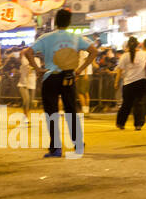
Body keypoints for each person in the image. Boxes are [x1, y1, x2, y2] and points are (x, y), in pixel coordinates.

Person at [25, 9, 96, 158]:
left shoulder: (46, 37)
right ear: (69, 22)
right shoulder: (76, 38)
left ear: (55, 22)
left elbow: (28, 52)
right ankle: (78, 146)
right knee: (71, 111)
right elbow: (93, 51)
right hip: (69, 77)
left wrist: (38, 68)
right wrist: (80, 70)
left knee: (51, 113)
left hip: (50, 78)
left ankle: (56, 149)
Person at [115, 36, 146, 131]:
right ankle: (138, 124)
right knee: (139, 103)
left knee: (126, 104)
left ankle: (120, 123)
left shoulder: (124, 56)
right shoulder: (143, 54)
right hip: (141, 81)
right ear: (138, 44)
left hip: (128, 83)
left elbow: (120, 70)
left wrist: (116, 82)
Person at [17, 47, 37, 122]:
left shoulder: (37, 60)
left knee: (31, 101)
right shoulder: (24, 60)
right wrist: (27, 49)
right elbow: (21, 53)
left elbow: (37, 69)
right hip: (23, 84)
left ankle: (26, 114)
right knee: (26, 100)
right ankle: (25, 116)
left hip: (32, 84)